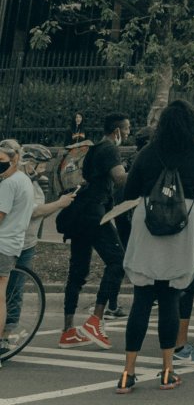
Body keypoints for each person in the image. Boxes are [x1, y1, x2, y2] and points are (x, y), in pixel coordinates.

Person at [114, 100, 194, 393]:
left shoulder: (147, 153)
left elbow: (130, 191)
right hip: (183, 226)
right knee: (169, 300)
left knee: (141, 300)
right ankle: (166, 371)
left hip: (148, 222)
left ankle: (127, 373)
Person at [60, 111, 130, 349]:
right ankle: (95, 320)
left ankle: (68, 330)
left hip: (79, 212)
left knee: (77, 270)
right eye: (127, 130)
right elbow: (120, 179)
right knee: (118, 261)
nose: (128, 135)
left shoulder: (94, 148)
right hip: (94, 214)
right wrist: (141, 175)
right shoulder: (110, 148)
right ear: (117, 131)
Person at [4, 145, 74, 347]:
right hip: (12, 241)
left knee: (15, 292)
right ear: (28, 162)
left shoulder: (36, 183)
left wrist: (57, 205)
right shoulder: (16, 181)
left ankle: (5, 336)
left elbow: (41, 213)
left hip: (27, 242)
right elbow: (33, 212)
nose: (42, 170)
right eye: (40, 165)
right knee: (7, 289)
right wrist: (60, 203)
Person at [0, 140, 37, 364]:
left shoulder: (8, 184)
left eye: (1, 160)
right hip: (13, 243)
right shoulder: (23, 180)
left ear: (14, 159)